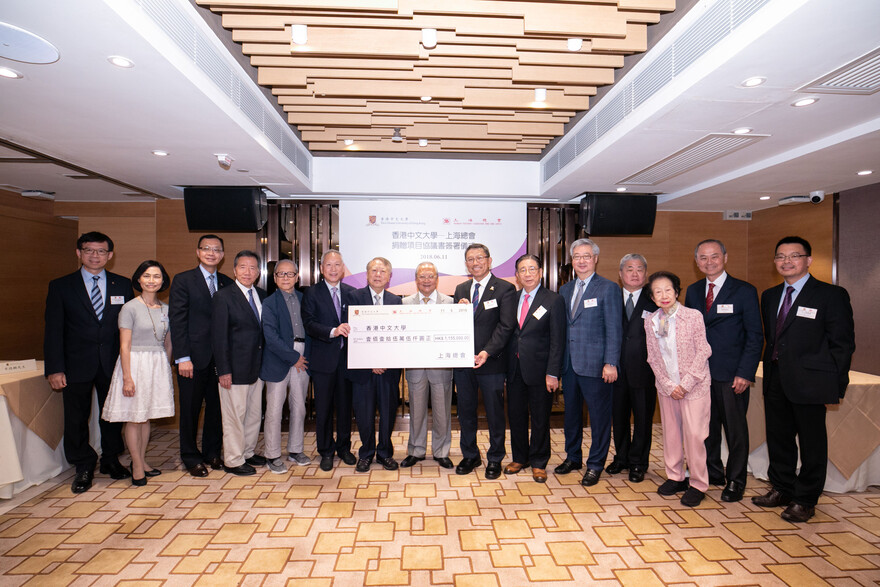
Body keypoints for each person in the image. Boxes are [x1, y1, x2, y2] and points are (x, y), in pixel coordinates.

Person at [753, 236, 855, 523]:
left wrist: (835, 385)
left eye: (794, 256)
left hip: (812, 383)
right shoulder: (770, 295)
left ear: (808, 260)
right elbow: (774, 339)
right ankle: (782, 488)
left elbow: (843, 344)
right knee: (779, 439)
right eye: (780, 257)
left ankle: (806, 498)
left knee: (812, 444)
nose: (786, 261)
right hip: (775, 380)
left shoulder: (830, 295)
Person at [44, 231, 134, 493]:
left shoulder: (122, 284)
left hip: (113, 363)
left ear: (110, 255)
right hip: (75, 364)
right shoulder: (61, 286)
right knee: (76, 417)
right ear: (78, 253)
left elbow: (126, 327)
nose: (95, 256)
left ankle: (110, 460)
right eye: (89, 250)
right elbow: (53, 331)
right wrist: (55, 368)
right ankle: (83, 464)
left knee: (112, 416)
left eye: (101, 251)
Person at [684, 239, 762, 502]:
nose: (709, 262)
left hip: (731, 374)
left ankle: (736, 480)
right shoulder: (694, 291)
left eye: (714, 256)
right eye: (703, 258)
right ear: (697, 262)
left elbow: (755, 336)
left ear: (725, 257)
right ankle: (713, 472)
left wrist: (745, 372)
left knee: (735, 430)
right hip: (700, 374)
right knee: (706, 428)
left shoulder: (744, 290)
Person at [556, 238, 622, 486]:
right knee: (571, 415)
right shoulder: (565, 289)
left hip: (597, 367)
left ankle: (595, 464)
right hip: (570, 365)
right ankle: (573, 457)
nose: (581, 261)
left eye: (586, 256)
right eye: (577, 257)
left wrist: (611, 362)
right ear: (572, 261)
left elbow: (614, 328)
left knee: (599, 418)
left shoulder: (608, 288)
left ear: (595, 259)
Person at [102, 261, 174, 485]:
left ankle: (141, 461)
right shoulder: (130, 307)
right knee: (134, 418)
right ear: (138, 280)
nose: (152, 280)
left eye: (157, 276)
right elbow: (124, 345)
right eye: (147, 276)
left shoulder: (166, 309)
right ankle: (136, 466)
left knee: (146, 418)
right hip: (134, 364)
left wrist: (165, 368)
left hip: (157, 365)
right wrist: (127, 377)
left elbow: (169, 343)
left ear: (163, 281)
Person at [644, 271, 712, 507]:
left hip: (694, 387)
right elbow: (652, 357)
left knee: (695, 436)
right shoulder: (651, 320)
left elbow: (704, 351)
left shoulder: (692, 316)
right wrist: (669, 385)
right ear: (652, 297)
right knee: (671, 435)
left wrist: (685, 384)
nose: (663, 295)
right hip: (667, 388)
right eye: (658, 292)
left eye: (668, 290)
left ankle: (698, 483)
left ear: (676, 292)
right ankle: (675, 476)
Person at [169, 234, 233, 478]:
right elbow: (178, 321)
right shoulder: (184, 280)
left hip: (220, 360)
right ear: (198, 252)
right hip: (192, 360)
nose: (211, 253)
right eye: (206, 248)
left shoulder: (227, 282)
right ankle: (190, 456)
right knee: (190, 409)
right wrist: (182, 357)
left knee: (217, 408)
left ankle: (211, 453)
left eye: (216, 249)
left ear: (222, 254)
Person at [453, 244, 516, 478]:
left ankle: (495, 457)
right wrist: (457, 313)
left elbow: (506, 325)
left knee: (494, 412)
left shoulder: (505, 288)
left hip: (492, 362)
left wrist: (487, 351)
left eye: (479, 258)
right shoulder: (460, 288)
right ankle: (470, 455)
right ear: (466, 264)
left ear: (490, 261)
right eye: (470, 259)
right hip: (464, 362)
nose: (475, 262)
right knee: (465, 411)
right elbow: (454, 327)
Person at [504, 254, 565, 483]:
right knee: (516, 416)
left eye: (532, 269)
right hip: (514, 368)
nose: (527, 273)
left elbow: (558, 340)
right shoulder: (511, 298)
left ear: (540, 272)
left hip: (541, 371)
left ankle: (539, 461)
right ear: (517, 275)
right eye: (522, 270)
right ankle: (520, 457)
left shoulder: (553, 300)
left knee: (540, 418)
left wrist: (553, 373)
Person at [212, 250, 267, 476]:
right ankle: (233, 459)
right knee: (234, 416)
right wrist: (223, 369)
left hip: (258, 367)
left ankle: (247, 451)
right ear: (234, 270)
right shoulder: (223, 296)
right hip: (233, 370)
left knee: (254, 414)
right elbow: (219, 336)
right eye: (243, 267)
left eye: (253, 268)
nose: (248, 272)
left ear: (258, 272)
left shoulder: (262, 295)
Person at [302, 250, 357, 472]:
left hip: (347, 362)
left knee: (345, 409)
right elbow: (309, 323)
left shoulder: (352, 293)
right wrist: (333, 331)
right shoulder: (311, 293)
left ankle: (344, 448)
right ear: (321, 268)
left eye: (337, 265)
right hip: (323, 362)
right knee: (323, 409)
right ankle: (325, 451)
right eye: (329, 265)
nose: (333, 269)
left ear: (343, 268)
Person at [606, 254, 657, 483]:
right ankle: (622, 457)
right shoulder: (611, 297)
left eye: (639, 269)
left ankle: (638, 462)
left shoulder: (654, 298)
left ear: (645, 274)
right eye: (629, 269)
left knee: (643, 418)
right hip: (615, 370)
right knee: (619, 417)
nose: (634, 274)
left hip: (645, 371)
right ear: (620, 274)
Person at [348, 257, 403, 472]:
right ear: (367, 274)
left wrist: (384, 361)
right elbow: (352, 335)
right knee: (364, 413)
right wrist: (371, 361)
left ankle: (385, 453)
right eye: (374, 270)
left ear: (389, 277)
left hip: (388, 370)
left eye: (382, 271)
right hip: (363, 370)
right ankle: (366, 453)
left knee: (388, 413)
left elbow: (399, 335)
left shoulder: (396, 300)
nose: (378, 274)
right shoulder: (353, 297)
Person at [401, 262, 455, 469]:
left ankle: (441, 451)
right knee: (416, 411)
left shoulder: (450, 303)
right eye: (422, 276)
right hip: (415, 367)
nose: (426, 280)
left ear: (437, 279)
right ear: (416, 279)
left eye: (430, 276)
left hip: (441, 367)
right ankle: (416, 450)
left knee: (442, 411)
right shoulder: (405, 304)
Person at [260, 259, 311, 474]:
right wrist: (292, 356)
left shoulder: (304, 299)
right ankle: (271, 454)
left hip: (303, 356)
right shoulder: (269, 303)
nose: (286, 278)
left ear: (297, 277)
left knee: (299, 407)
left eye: (290, 274)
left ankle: (295, 449)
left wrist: (302, 355)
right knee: (274, 410)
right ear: (274, 278)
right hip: (278, 357)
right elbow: (270, 336)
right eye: (281, 274)